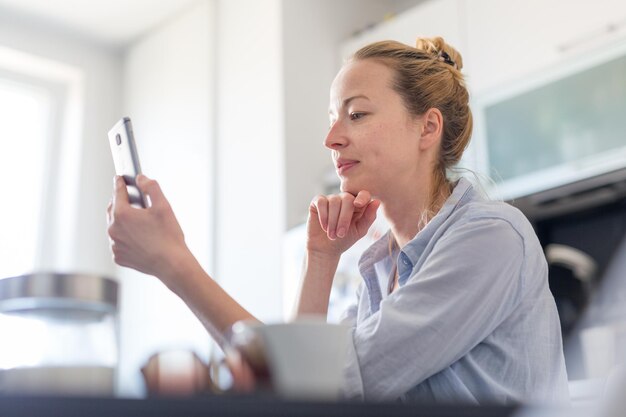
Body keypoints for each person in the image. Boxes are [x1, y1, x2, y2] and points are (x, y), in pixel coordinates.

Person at [107, 36, 569, 404]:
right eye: (333, 118)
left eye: (357, 114)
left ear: (427, 128)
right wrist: (320, 259)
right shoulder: (380, 270)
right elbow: (296, 391)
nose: (332, 138)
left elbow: (333, 381)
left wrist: (175, 265)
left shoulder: (490, 236)